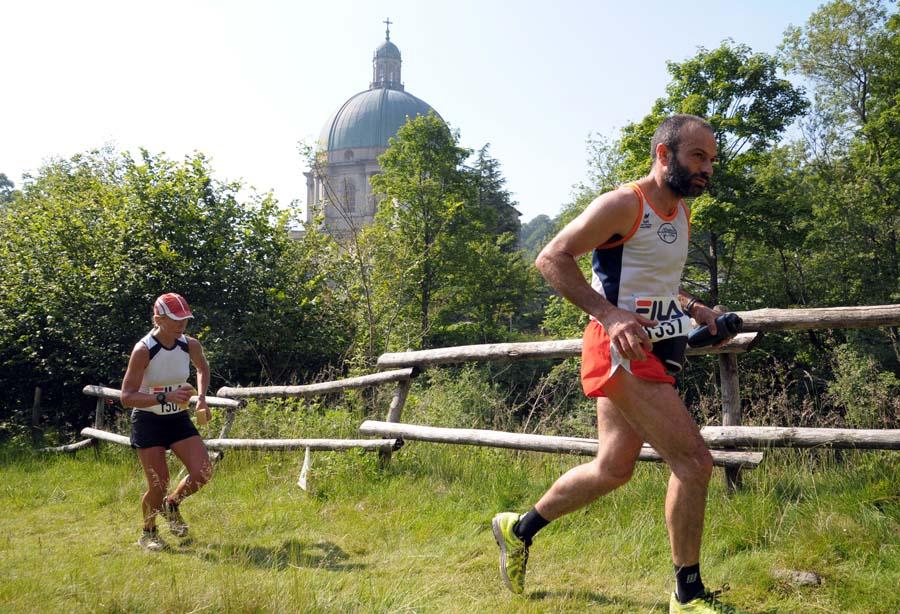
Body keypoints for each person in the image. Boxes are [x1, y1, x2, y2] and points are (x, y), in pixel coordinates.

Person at [492, 115, 742, 613]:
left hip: (657, 351)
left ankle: (518, 529)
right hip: (621, 353)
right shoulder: (625, 204)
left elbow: (658, 287)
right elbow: (551, 257)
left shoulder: (679, 213)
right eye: (698, 156)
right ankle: (687, 594)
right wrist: (608, 315)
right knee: (694, 463)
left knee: (612, 468)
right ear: (664, 154)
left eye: (712, 159)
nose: (707, 168)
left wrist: (698, 311)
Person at [121, 292, 213, 551]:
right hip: (148, 421)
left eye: (185, 318)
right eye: (175, 319)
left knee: (203, 471)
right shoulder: (143, 350)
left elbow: (203, 368)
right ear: (158, 319)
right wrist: (165, 396)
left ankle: (172, 505)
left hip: (177, 418)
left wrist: (202, 398)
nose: (182, 324)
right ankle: (148, 533)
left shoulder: (190, 345)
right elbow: (126, 396)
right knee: (158, 483)